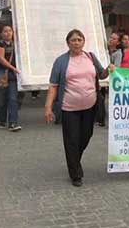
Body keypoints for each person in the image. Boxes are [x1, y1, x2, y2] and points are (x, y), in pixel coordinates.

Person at [44, 29, 114, 187]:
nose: (76, 42)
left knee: (86, 136)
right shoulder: (61, 61)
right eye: (73, 40)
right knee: (71, 141)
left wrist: (108, 69)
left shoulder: (90, 57)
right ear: (68, 43)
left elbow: (101, 75)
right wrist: (48, 107)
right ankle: (75, 173)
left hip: (90, 106)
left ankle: (74, 160)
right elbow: (53, 86)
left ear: (83, 41)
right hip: (69, 108)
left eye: (79, 39)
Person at [0, 25, 21, 131]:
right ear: (1, 33)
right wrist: (13, 68)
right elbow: (0, 58)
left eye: (10, 31)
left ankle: (13, 122)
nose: (8, 33)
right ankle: (2, 120)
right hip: (0, 73)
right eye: (5, 31)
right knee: (1, 100)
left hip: (12, 74)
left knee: (13, 98)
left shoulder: (16, 43)